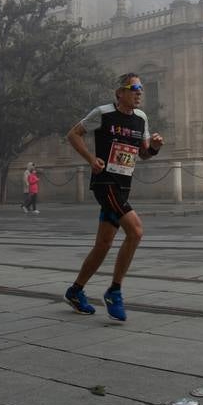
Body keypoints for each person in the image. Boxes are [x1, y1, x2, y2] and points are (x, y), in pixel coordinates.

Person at [63, 73, 164, 320]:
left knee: (104, 244)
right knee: (136, 231)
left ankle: (75, 291)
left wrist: (155, 148)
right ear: (120, 92)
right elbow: (73, 134)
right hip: (105, 183)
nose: (140, 92)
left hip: (123, 185)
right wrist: (90, 159)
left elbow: (144, 154)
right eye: (134, 88)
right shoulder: (103, 113)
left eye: (141, 88)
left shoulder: (141, 118)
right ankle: (114, 291)